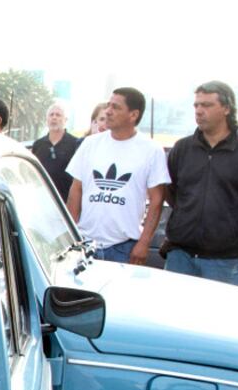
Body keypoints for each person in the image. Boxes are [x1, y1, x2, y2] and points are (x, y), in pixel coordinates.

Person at [163, 81, 238, 286]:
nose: (199, 111)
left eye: (207, 105)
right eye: (196, 105)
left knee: (221, 318)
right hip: (180, 256)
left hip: (224, 260)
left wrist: (228, 224)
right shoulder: (182, 148)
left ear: (227, 108)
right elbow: (172, 192)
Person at [65, 87, 169, 263]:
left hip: (125, 248)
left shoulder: (151, 150)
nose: (108, 111)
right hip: (84, 244)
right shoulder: (89, 144)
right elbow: (76, 190)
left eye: (116, 107)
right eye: (108, 105)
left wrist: (144, 243)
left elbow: (156, 201)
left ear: (133, 115)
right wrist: (69, 236)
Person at [31, 102, 80, 200]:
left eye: (58, 115)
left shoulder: (75, 144)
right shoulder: (38, 144)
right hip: (42, 201)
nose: (54, 117)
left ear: (65, 120)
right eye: (51, 115)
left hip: (65, 203)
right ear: (47, 120)